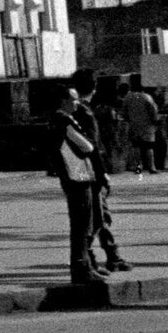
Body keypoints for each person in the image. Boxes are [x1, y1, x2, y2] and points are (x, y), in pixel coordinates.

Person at [47, 88, 127, 283]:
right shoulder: (64, 120)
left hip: (74, 175)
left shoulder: (57, 119)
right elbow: (87, 146)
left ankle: (85, 265)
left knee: (84, 223)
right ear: (63, 100)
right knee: (83, 224)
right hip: (78, 175)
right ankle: (82, 267)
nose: (77, 103)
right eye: (73, 100)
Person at [118, 79, 161, 174]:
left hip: (134, 125)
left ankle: (138, 166)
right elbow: (153, 110)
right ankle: (152, 167)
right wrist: (155, 121)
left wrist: (129, 120)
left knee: (136, 147)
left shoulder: (127, 99)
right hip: (147, 125)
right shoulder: (147, 97)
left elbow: (124, 113)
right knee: (149, 147)